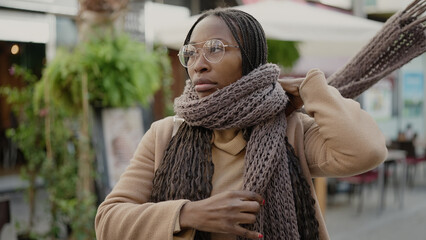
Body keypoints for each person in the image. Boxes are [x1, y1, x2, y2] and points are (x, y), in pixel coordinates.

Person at [95, 8, 387, 240]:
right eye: (191, 53)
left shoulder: (290, 129)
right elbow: (108, 221)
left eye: (215, 48)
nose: (199, 64)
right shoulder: (165, 134)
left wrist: (312, 90)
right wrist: (187, 214)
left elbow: (366, 151)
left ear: (249, 60)